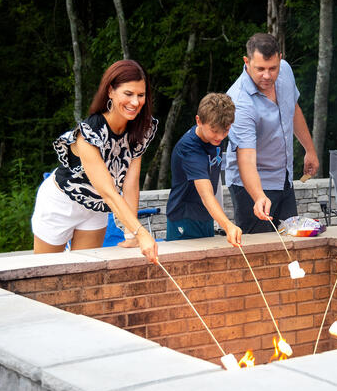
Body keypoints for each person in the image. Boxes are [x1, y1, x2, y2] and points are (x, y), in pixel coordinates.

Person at [31, 60, 159, 263]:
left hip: (94, 209)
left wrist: (131, 234)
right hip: (61, 204)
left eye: (140, 95)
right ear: (110, 91)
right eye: (128, 94)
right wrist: (142, 232)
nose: (135, 102)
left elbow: (130, 184)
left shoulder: (140, 129)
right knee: (45, 273)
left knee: (84, 272)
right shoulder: (89, 133)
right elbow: (108, 191)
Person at [225, 33, 319, 234]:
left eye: (272, 68)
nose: (267, 76)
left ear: (280, 59)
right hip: (251, 186)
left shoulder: (285, 70)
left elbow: (293, 109)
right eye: (260, 69)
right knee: (261, 251)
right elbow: (246, 159)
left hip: (283, 178)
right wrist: (259, 196)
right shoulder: (239, 103)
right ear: (247, 62)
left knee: (291, 242)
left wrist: (309, 150)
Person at [166, 93, 242, 246]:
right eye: (214, 131)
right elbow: (206, 193)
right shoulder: (189, 148)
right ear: (199, 121)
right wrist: (227, 225)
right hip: (184, 217)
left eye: (225, 131)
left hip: (205, 215)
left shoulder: (214, 137)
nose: (220, 137)